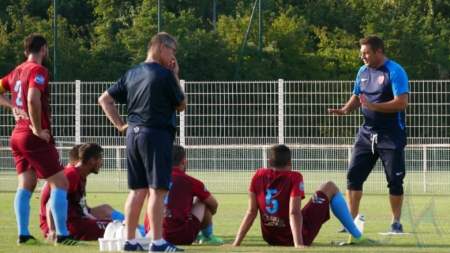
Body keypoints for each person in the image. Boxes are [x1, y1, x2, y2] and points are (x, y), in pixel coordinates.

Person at [98, 32, 186, 252]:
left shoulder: (131, 73)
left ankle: (130, 242)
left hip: (133, 135)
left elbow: (104, 99)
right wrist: (175, 75)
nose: (173, 56)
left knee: (137, 190)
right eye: (172, 51)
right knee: (157, 190)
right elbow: (181, 105)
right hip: (156, 135)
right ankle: (157, 243)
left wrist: (120, 125)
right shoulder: (164, 75)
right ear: (161, 48)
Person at [0, 33, 86, 246]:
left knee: (26, 185)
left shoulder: (16, 71)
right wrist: (38, 130)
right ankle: (63, 235)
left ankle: (23, 235)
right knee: (61, 182)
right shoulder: (39, 70)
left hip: (17, 135)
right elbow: (32, 99)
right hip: (32, 135)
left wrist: (13, 107)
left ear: (25, 51)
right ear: (44, 49)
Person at [328, 35, 408, 233]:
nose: (362, 56)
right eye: (361, 53)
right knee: (353, 177)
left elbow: (402, 102)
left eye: (366, 53)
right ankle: (351, 223)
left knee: (394, 180)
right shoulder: (363, 71)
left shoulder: (395, 71)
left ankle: (395, 224)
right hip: (366, 134)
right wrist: (346, 109)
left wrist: (375, 106)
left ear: (378, 52)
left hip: (391, 135)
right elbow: (358, 95)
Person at [232, 144, 381, 248]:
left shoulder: (258, 175)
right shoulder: (294, 177)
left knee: (310, 203)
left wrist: (236, 243)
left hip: (270, 238)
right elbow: (294, 212)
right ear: (290, 162)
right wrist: (298, 243)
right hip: (293, 237)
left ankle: (354, 234)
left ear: (270, 162)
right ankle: (356, 235)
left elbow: (251, 212)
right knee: (330, 186)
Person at [143, 145, 223, 245]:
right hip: (180, 237)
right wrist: (207, 216)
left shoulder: (153, 180)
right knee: (202, 199)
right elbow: (214, 204)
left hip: (152, 235)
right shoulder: (191, 181)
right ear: (184, 161)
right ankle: (208, 236)